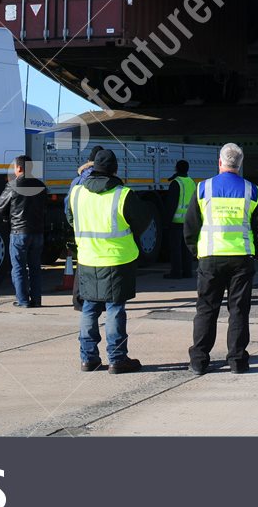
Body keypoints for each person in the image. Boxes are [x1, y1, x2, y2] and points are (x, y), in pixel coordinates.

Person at [184, 142, 258, 374]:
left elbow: (191, 225)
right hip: (241, 258)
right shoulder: (251, 190)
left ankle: (199, 361)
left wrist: (196, 252)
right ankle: (237, 361)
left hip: (210, 258)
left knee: (206, 310)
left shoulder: (203, 188)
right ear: (240, 164)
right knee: (239, 311)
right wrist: (256, 249)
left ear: (220, 162)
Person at [67, 149, 154, 373]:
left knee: (89, 307)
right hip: (117, 259)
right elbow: (143, 221)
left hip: (88, 258)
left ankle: (88, 358)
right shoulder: (123, 194)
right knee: (115, 308)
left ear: (93, 167)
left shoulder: (77, 192)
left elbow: (70, 218)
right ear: (115, 169)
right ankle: (117, 358)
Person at [0, 156, 48, 308]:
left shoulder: (12, 186)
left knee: (19, 268)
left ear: (19, 168)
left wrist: (7, 219)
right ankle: (36, 299)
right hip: (37, 232)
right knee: (35, 268)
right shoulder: (41, 186)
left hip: (19, 232)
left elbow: (1, 207)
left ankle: (23, 300)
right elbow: (45, 209)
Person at [66, 146, 106, 310]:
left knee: (82, 265)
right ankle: (98, 300)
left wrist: (75, 225)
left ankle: (78, 300)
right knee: (100, 267)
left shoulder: (77, 181)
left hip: (82, 230)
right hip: (101, 229)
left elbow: (68, 207)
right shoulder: (106, 181)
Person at [163, 160, 197, 280]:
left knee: (176, 249)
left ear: (176, 168)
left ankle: (176, 272)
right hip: (188, 221)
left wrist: (166, 222)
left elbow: (171, 204)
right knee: (187, 248)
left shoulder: (176, 183)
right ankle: (188, 272)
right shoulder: (192, 182)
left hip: (176, 222)